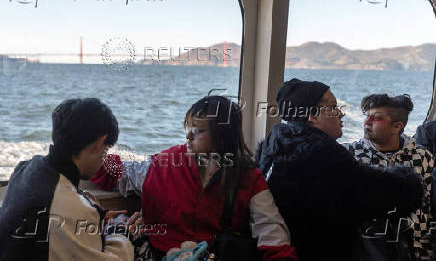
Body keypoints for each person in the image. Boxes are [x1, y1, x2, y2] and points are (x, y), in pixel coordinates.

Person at [91, 96, 299, 261]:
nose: (188, 136)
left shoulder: (248, 178)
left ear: (222, 134)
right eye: (188, 128)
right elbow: (118, 173)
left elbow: (271, 232)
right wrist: (84, 153)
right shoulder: (165, 163)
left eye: (198, 130)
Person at [255, 78, 424, 261]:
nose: (340, 114)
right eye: (333, 107)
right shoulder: (323, 155)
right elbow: (383, 193)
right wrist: (410, 182)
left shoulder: (277, 142)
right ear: (312, 116)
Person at [0, 98, 134, 261]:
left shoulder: (26, 168)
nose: (103, 159)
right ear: (98, 144)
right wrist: (120, 231)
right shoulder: (70, 207)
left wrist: (98, 215)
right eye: (105, 151)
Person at [344, 94, 435, 260]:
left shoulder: (423, 157)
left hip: (416, 250)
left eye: (376, 118)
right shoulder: (350, 156)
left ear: (397, 127)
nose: (366, 122)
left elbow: (428, 208)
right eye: (366, 116)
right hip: (368, 248)